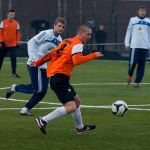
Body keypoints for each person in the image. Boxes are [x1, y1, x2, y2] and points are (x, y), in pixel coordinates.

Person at [34, 25, 103, 134]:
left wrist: (38, 62)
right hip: (60, 78)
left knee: (77, 101)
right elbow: (77, 60)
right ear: (80, 33)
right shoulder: (78, 43)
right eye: (88, 34)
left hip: (58, 77)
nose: (89, 37)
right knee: (71, 107)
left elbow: (52, 54)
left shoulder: (66, 41)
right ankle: (43, 120)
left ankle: (80, 127)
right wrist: (93, 55)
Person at [6, 17, 66, 115]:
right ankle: (15, 89)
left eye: (63, 27)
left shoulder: (60, 40)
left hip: (44, 66)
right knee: (37, 89)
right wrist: (34, 58)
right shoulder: (46, 33)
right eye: (59, 26)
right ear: (54, 26)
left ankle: (25, 109)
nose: (61, 28)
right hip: (34, 64)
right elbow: (31, 42)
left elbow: (53, 54)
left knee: (42, 91)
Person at [125, 5, 150, 87]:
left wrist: (149, 45)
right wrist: (127, 43)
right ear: (138, 12)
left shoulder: (148, 21)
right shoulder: (133, 20)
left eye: (144, 10)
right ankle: (129, 75)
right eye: (141, 10)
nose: (142, 12)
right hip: (135, 46)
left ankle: (138, 82)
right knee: (133, 63)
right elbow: (129, 32)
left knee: (142, 65)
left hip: (144, 46)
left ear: (145, 12)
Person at [0, 9, 21, 78]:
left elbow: (18, 34)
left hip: (13, 45)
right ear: (8, 15)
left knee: (13, 59)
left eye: (13, 15)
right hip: (4, 45)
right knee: (0, 59)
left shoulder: (16, 23)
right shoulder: (3, 22)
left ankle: (14, 74)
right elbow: (0, 33)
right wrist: (1, 41)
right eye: (11, 14)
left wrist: (17, 42)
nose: (12, 16)